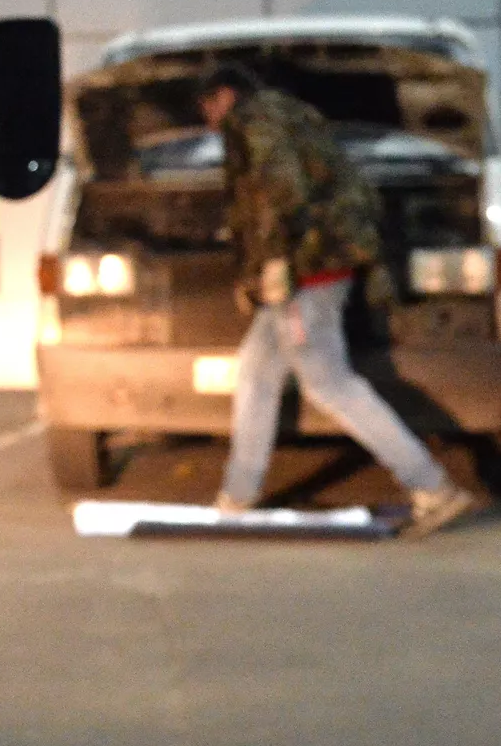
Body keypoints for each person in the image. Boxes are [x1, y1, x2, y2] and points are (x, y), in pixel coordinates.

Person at [198, 63, 477, 538]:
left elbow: (279, 191)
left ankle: (432, 487)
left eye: (206, 106)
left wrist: (274, 262)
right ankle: (237, 496)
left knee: (329, 383)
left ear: (224, 95)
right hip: (313, 266)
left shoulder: (254, 117)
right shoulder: (290, 113)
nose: (206, 119)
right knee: (256, 372)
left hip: (307, 273)